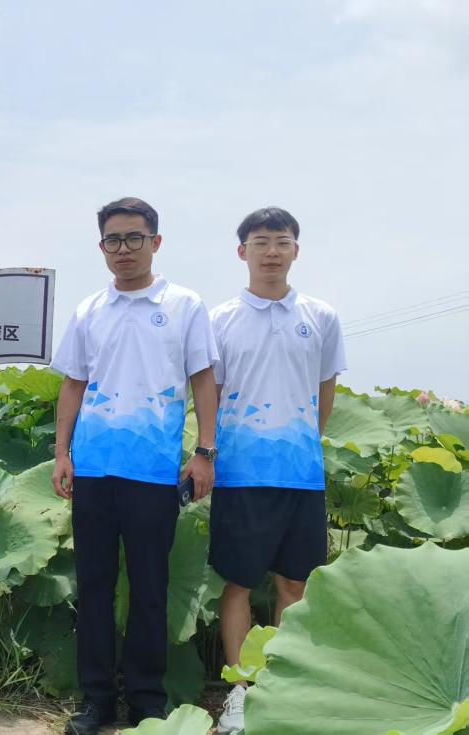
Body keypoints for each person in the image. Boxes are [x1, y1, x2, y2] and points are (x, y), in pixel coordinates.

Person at [51, 197, 220, 734]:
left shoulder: (184, 304)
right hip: (94, 469)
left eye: (134, 238)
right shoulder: (89, 310)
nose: (123, 249)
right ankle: (96, 700)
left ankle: (147, 700)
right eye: (113, 240)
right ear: (101, 246)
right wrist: (62, 453)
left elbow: (203, 381)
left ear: (155, 242)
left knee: (149, 588)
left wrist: (205, 452)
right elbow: (73, 384)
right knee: (94, 587)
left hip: (153, 472)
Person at [210, 207, 346, 735]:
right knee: (239, 582)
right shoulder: (220, 320)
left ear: (296, 250)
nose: (272, 251)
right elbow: (212, 395)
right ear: (242, 251)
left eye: (282, 241)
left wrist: (305, 442)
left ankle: (283, 692)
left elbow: (325, 390)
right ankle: (241, 691)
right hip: (240, 473)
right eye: (261, 242)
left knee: (296, 584)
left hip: (301, 474)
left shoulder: (321, 316)